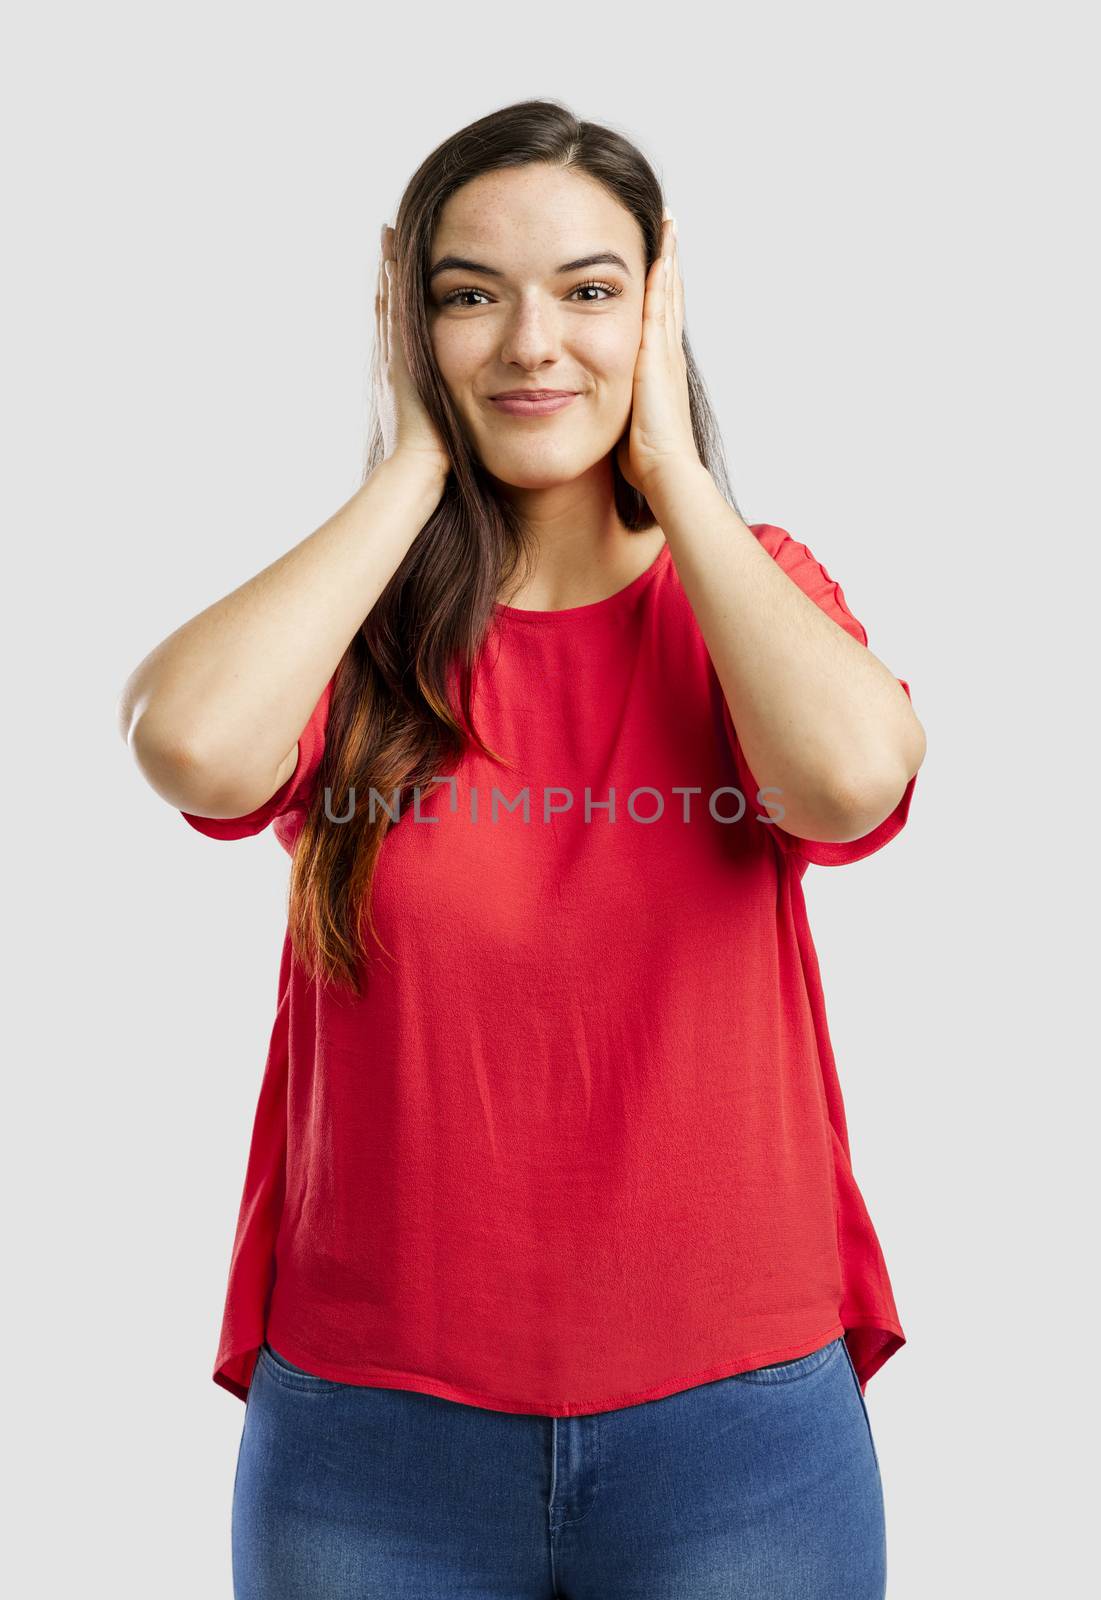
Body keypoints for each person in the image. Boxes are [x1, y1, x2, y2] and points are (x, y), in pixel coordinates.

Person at [119, 98, 925, 1600]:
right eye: (468, 295)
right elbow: (188, 742)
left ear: (659, 308)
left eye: (589, 290)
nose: (530, 342)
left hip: (734, 1419)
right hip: (374, 1428)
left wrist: (677, 470)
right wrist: (405, 471)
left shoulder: (741, 600)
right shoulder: (355, 629)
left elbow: (847, 782)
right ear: (408, 325)